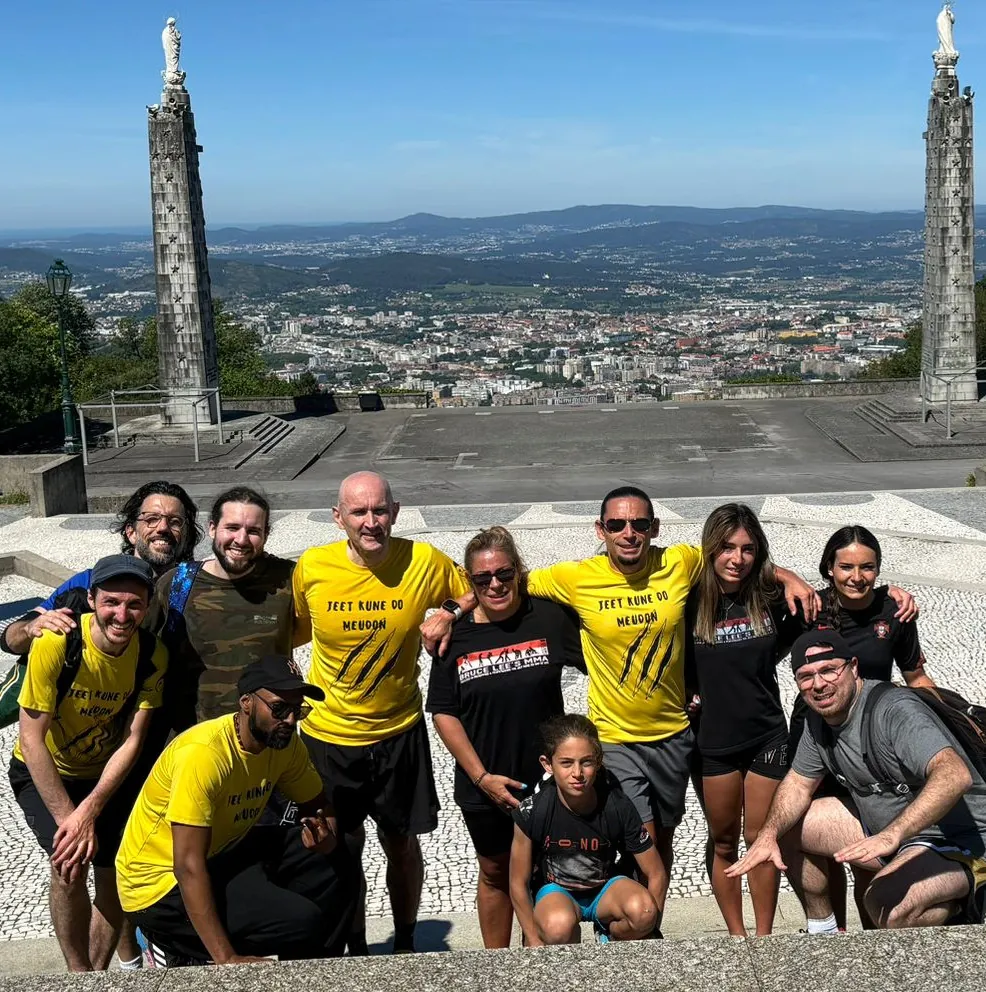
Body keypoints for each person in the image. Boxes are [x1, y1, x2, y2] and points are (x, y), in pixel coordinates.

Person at [424, 484, 825, 931]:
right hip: (616, 738)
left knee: (665, 843)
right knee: (644, 841)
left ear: (654, 528)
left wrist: (788, 576)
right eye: (616, 524)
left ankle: (643, 927)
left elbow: (734, 562)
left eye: (639, 524)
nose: (628, 532)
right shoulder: (575, 577)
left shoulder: (680, 562)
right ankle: (635, 932)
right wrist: (451, 609)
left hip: (675, 736)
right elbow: (502, 580)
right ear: (601, 529)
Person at [293, 470, 471, 955]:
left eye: (379, 510)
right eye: (358, 512)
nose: (370, 522)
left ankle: (407, 940)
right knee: (342, 851)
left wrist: (449, 610)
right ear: (338, 518)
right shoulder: (313, 566)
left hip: (399, 732)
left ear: (394, 512)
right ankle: (353, 944)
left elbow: (476, 585)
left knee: (401, 843)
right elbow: (285, 630)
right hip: (329, 737)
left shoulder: (424, 560)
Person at [728, 630, 986, 931]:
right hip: (891, 835)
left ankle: (971, 897)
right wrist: (768, 834)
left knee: (884, 904)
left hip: (960, 839)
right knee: (789, 824)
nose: (819, 684)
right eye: (806, 676)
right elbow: (798, 784)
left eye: (828, 670)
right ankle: (822, 931)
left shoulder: (894, 710)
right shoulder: (819, 721)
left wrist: (893, 834)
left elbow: (954, 775)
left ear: (852, 667)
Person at [116, 656, 357, 966]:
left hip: (219, 853)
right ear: (246, 702)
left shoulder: (282, 744)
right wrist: (226, 958)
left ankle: (311, 974)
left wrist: (327, 836)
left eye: (299, 711)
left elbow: (319, 805)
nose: (290, 720)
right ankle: (172, 945)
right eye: (279, 708)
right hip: (157, 888)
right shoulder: (203, 756)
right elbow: (187, 867)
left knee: (342, 852)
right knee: (302, 922)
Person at [8, 555, 168, 972]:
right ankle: (77, 974)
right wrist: (71, 820)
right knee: (69, 865)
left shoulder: (152, 654)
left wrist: (91, 809)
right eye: (111, 602)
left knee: (117, 870)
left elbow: (133, 739)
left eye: (134, 604)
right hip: (44, 769)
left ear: (147, 606)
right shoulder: (57, 643)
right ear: (92, 599)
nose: (122, 614)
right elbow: (31, 738)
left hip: (102, 774)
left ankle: (95, 976)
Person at [427, 526, 584, 948]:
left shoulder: (549, 618)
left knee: (548, 870)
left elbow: (603, 658)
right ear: (470, 581)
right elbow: (443, 712)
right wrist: (481, 777)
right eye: (482, 579)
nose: (495, 584)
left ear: (519, 571)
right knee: (495, 871)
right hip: (485, 784)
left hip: (547, 782)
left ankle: (548, 956)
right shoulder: (454, 637)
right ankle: (497, 966)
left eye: (504, 573)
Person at [789, 525, 930, 933]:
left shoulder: (894, 611)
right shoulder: (807, 608)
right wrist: (787, 577)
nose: (857, 576)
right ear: (829, 568)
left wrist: (950, 722)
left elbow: (916, 676)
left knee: (868, 849)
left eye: (867, 567)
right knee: (806, 839)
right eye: (846, 566)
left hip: (872, 747)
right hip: (816, 738)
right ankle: (829, 931)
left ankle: (873, 939)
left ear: (878, 569)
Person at [684, 503, 802, 936]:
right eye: (727, 548)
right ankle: (737, 937)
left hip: (766, 734)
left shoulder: (767, 596)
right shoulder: (689, 599)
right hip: (712, 741)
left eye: (748, 549)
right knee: (722, 841)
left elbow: (811, 616)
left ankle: (765, 936)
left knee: (762, 838)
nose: (738, 558)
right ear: (710, 550)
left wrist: (789, 576)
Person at [154, 485, 297, 732]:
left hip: (265, 739)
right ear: (212, 528)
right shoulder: (176, 584)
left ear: (266, 534)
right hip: (192, 740)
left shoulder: (289, 581)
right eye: (232, 528)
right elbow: (130, 639)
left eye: (253, 531)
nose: (241, 540)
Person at [1, 480, 200, 658]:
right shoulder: (91, 582)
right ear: (131, 532)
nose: (163, 528)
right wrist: (29, 629)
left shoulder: (198, 586)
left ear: (186, 535)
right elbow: (9, 639)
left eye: (175, 522)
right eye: (151, 519)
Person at [509, 714, 662, 945]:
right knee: (557, 927)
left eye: (586, 762)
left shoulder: (617, 805)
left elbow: (656, 873)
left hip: (605, 891)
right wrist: (533, 941)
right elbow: (517, 883)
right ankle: (570, 955)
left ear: (598, 762)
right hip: (556, 893)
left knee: (643, 912)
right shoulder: (533, 811)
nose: (577, 773)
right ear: (547, 764)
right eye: (566, 763)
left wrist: (650, 930)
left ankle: (611, 936)